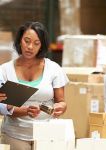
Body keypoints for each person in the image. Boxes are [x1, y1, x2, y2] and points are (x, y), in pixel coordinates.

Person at [0, 21, 69, 150]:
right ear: (20, 41)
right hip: (15, 135)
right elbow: (1, 106)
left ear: (41, 46)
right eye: (27, 41)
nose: (30, 47)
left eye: (36, 43)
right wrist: (25, 111)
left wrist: (60, 107)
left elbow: (61, 101)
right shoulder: (4, 70)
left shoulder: (53, 69)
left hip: (47, 135)